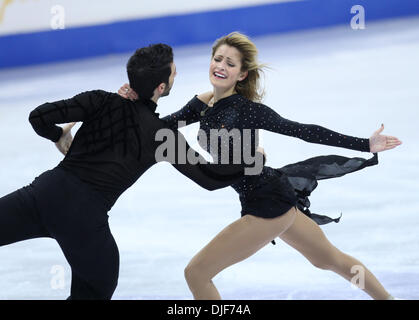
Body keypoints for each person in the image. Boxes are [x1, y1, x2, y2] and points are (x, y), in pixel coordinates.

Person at [119, 32, 402, 300]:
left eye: (230, 63)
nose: (220, 66)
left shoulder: (247, 110)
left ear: (242, 74)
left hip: (266, 205)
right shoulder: (204, 102)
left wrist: (365, 144)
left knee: (196, 273)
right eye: (217, 59)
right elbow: (160, 126)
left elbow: (302, 130)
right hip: (275, 196)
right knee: (328, 260)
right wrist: (133, 102)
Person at [0, 44, 250, 300]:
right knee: (97, 287)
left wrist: (59, 135)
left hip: (43, 194)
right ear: (161, 88)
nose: (176, 74)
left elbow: (38, 117)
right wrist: (250, 162)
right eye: (173, 73)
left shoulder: (100, 100)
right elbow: (209, 178)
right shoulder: (161, 136)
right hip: (84, 219)